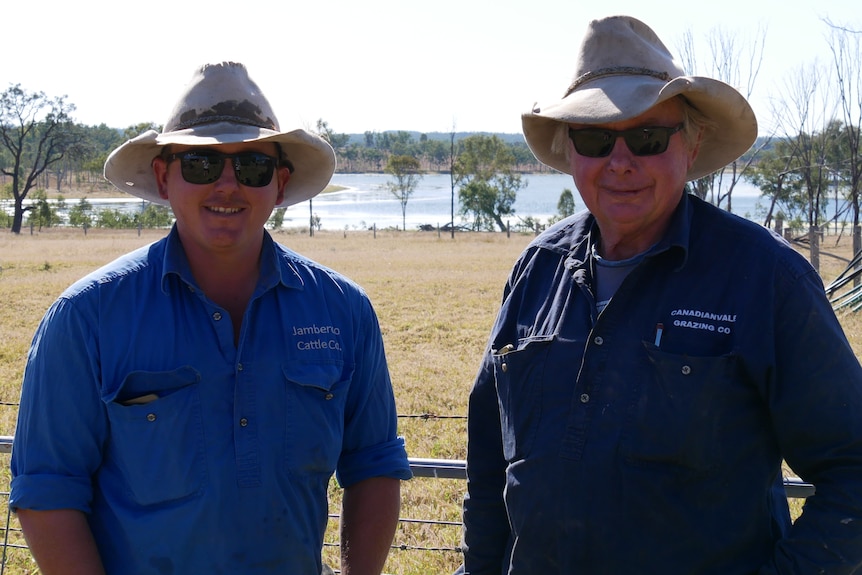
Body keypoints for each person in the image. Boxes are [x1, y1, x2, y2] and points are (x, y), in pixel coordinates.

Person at [461, 15, 862, 574]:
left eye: (647, 138)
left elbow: (853, 471)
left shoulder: (766, 279)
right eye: (596, 138)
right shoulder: (537, 269)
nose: (620, 162)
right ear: (569, 149)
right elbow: (488, 461)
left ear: (692, 144)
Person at [10, 61, 412, 575]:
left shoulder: (343, 310)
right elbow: (47, 492)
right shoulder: (86, 317)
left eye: (253, 167)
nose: (228, 186)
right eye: (200, 164)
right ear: (163, 177)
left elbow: (374, 464)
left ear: (281, 185)